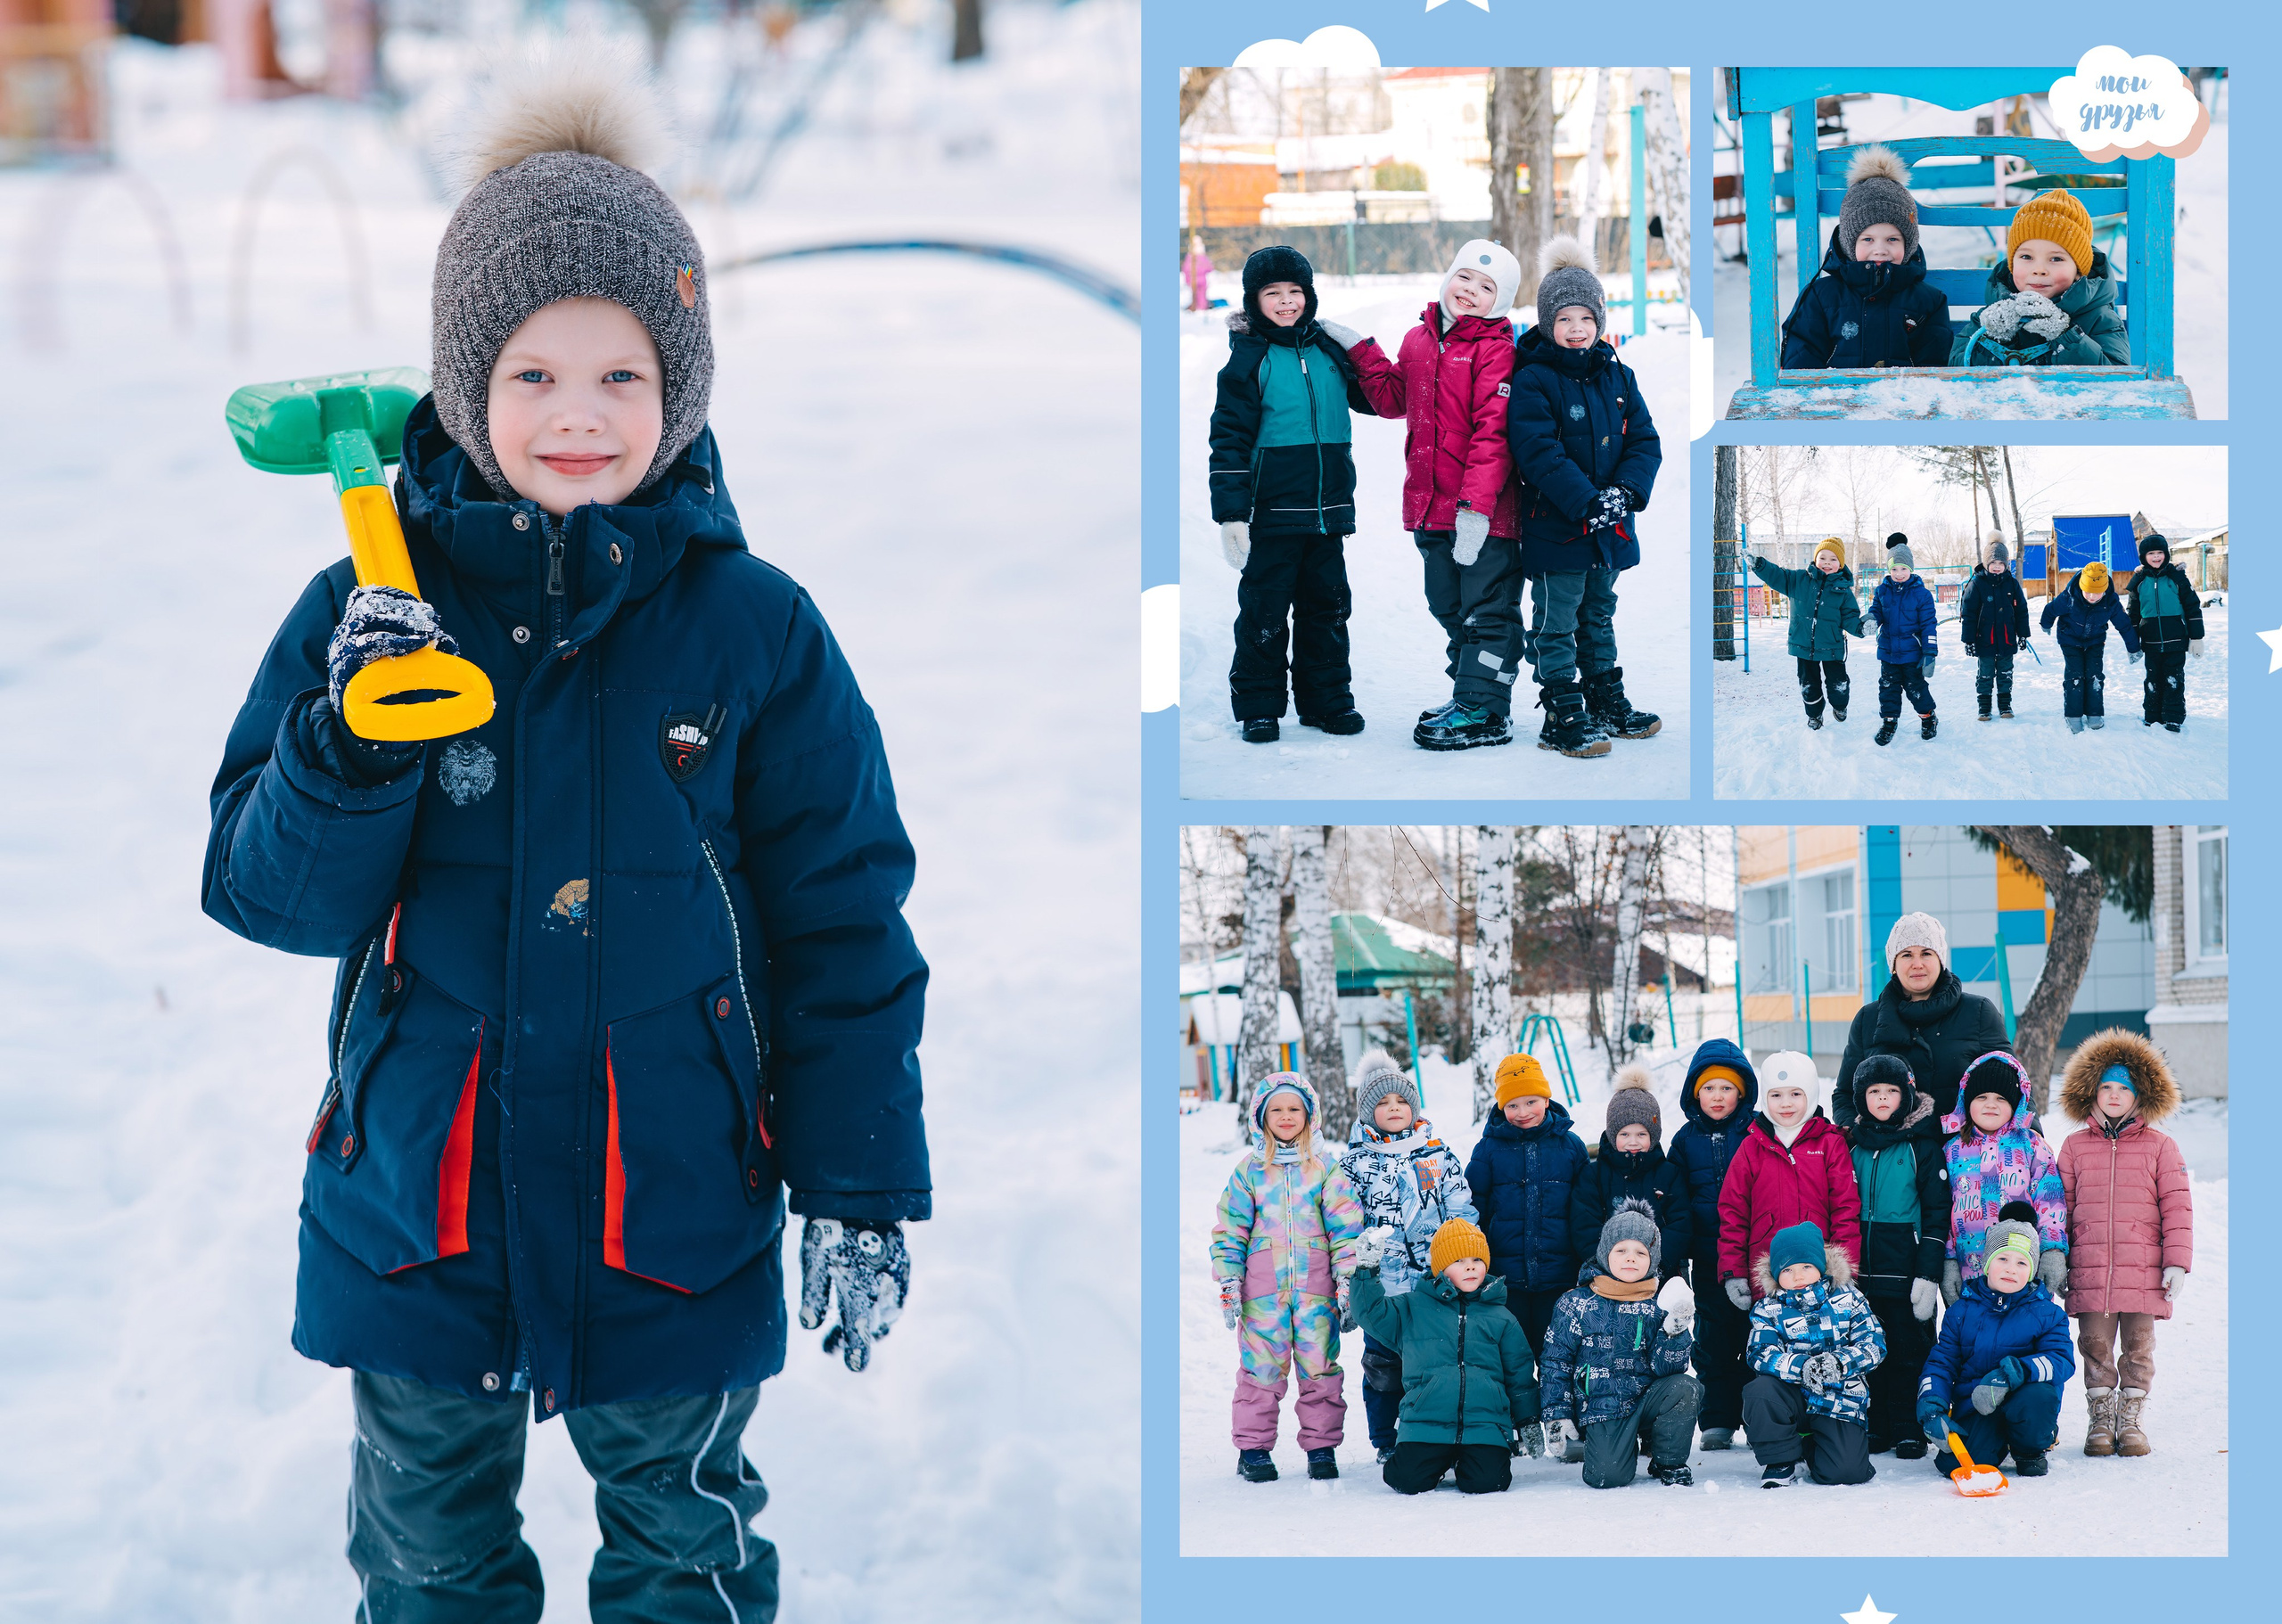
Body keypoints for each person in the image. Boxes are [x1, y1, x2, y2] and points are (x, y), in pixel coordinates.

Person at [201, 61, 926, 1620]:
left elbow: (844, 917)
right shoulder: (369, 611)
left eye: (622, 374)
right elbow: (269, 897)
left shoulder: (755, 630)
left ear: (684, 391)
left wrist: (858, 1177)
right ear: (465, 386)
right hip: (423, 1202)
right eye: (531, 373)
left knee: (685, 1550)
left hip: (668, 1200)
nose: (580, 415)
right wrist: (350, 746)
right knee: (429, 1553)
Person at [1342, 241, 1531, 750]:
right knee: (1446, 604)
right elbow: (1392, 400)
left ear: (1501, 301)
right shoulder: (1418, 340)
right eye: (1464, 277)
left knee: (1488, 610)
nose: (1470, 291)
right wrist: (1361, 350)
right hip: (1429, 505)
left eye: (1487, 287)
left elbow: (1494, 434)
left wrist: (1476, 509)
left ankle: (1485, 709)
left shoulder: (1496, 351)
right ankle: (1470, 692)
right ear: (1448, 278)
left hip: (1484, 513)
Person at [1207, 245, 1376, 742]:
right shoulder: (1248, 360)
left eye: (1295, 291)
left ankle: (1327, 702)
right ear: (1254, 301)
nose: (1286, 302)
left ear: (1310, 296)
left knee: (1328, 609)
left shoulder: (1329, 351)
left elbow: (1379, 399)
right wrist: (1232, 513)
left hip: (1327, 510)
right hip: (1271, 511)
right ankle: (1259, 706)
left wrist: (1362, 351)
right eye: (1273, 293)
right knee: (1264, 611)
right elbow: (1228, 440)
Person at [1505, 235, 1663, 757]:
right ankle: (1562, 709)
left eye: (1586, 318)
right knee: (1557, 619)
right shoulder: (1533, 379)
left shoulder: (1619, 375)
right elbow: (1537, 450)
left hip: (1609, 526)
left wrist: (1624, 492)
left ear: (1600, 321)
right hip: (1559, 526)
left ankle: (1603, 697)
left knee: (1598, 613)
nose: (1577, 329)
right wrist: (1586, 501)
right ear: (1546, 322)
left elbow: (1644, 441)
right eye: (1564, 319)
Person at [1209, 1075, 1366, 1482]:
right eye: (1276, 1109)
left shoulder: (1325, 1169)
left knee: (1320, 1370)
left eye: (1294, 1109)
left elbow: (1346, 1229)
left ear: (1309, 1116)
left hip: (1317, 1292)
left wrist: (1347, 1280)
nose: (1285, 1116)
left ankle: (1321, 1448)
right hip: (1262, 1294)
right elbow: (1231, 1229)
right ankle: (1254, 1449)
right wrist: (1229, 1280)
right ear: (1260, 1117)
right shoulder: (1250, 1171)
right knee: (1261, 1370)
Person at [2056, 1031, 2194, 1457]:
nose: (2114, 1095)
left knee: (2139, 1347)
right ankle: (2101, 1417)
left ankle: (2131, 1418)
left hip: (2143, 1269)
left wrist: (2176, 1263)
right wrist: (2057, 1258)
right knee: (2094, 1345)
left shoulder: (2160, 1147)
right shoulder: (2074, 1147)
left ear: (2141, 1095)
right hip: (2090, 1267)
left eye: (2124, 1088)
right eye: (2106, 1087)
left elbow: (2177, 1207)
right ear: (2091, 1092)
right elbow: (2061, 1208)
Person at [1335, 1053, 1476, 1465]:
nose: (1394, 1108)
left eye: (1401, 1101)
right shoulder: (1354, 1164)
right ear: (1368, 1113)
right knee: (1383, 1364)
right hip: (1382, 1288)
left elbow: (1460, 1211)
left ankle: (1435, 1432)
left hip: (1433, 1284)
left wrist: (1465, 1261)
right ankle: (1386, 1439)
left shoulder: (1437, 1154)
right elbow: (1343, 1226)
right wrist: (1350, 1282)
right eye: (1383, 1103)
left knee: (1436, 1359)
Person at [1352, 1218, 1545, 1496]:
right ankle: (1438, 1459)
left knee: (1490, 1483)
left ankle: (1464, 1459)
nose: (1470, 1267)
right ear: (1441, 1267)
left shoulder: (1501, 1318)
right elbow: (1369, 1312)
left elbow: (1520, 1375)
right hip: (1425, 1422)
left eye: (1477, 1260)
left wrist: (1528, 1421)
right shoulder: (1412, 1309)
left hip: (1485, 1424)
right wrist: (1366, 1270)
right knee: (1404, 1480)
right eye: (1459, 1261)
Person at [1539, 1205, 1703, 1487]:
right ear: (1605, 1253)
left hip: (1647, 1398)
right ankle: (1618, 1446)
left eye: (1640, 1252)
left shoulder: (1660, 1303)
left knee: (1685, 1387)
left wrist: (1674, 1332)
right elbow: (1556, 1361)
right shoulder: (1576, 1303)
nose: (1630, 1258)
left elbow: (1669, 1369)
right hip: (1603, 1406)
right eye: (1621, 1250)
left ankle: (1668, 1462)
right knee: (1606, 1477)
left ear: (1653, 1259)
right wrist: (1557, 1414)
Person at [1916, 1206, 2075, 1478]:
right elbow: (1941, 1364)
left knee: (2038, 1396)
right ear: (1987, 1263)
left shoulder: (2048, 1314)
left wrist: (2012, 1373)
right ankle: (1994, 1441)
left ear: (2032, 1271)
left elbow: (2061, 1360)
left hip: (2023, 1402)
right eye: (2003, 1259)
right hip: (1978, 1407)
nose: (2011, 1269)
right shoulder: (1961, 1312)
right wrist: (1931, 1404)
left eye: (2022, 1263)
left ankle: (2029, 1449)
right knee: (1953, 1465)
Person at [1844, 1054, 1952, 1458]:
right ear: (1861, 1098)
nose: (1883, 1098)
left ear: (1906, 1095)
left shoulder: (1922, 1146)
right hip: (1861, 1273)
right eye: (1874, 1091)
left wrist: (1928, 1274)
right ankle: (1878, 1423)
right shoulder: (1852, 1144)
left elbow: (1938, 1213)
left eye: (1891, 1091)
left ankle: (1909, 1425)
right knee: (1867, 1347)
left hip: (1907, 1271)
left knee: (1910, 1349)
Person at [1833, 912, 2012, 1130]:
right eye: (1907, 955)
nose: (1917, 964)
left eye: (1926, 953)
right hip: (1889, 1148)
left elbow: (2012, 1082)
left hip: (1962, 1147)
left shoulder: (1978, 1012)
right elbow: (1845, 1093)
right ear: (1894, 964)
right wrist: (1856, 1135)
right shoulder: (1868, 1018)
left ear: (1940, 960)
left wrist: (2032, 1131)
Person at [1777, 146, 1952, 367]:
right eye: (1868, 239)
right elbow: (1801, 357)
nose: (1880, 250)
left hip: (1903, 390)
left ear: (1909, 245)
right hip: (1835, 390)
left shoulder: (1928, 301)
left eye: (1892, 239)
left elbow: (1934, 365)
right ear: (1849, 244)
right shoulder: (1821, 296)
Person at [1717, 1050, 1863, 1313]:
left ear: (1811, 1093)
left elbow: (1846, 1211)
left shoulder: (1830, 1144)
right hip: (1769, 1277)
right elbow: (1733, 1214)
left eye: (1796, 1094)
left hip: (1818, 1273)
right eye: (1776, 1095)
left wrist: (1845, 1269)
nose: (1785, 1104)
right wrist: (1733, 1271)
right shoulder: (1751, 1148)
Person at [1465, 1054, 1592, 1356]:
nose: (1522, 1113)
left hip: (1561, 1277)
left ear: (1546, 1100)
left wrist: (1586, 1263)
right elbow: (1473, 1208)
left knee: (1557, 1357)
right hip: (1505, 1280)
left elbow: (1586, 1208)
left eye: (1531, 1102)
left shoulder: (1571, 1146)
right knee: (1513, 1359)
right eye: (1512, 1105)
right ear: (1501, 1107)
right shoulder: (1488, 1149)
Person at [1743, 1221, 1885, 1487]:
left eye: (1806, 1267)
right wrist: (1802, 1367)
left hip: (1838, 1398)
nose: (1798, 1277)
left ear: (1821, 1266)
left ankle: (1812, 1448)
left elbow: (1873, 1343)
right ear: (1776, 1274)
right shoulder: (1768, 1308)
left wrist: (1838, 1363)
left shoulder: (1849, 1298)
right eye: (1788, 1270)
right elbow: (1760, 1352)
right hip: (1791, 1396)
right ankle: (1780, 1460)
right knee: (1760, 1390)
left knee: (1845, 1473)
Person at [1667, 1041, 1759, 1450]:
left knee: (1759, 1335)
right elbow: (1676, 1200)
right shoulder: (1685, 1140)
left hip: (1756, 1257)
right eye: (1708, 1088)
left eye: (1727, 1088)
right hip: (1708, 1257)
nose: (1717, 1097)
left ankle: (1758, 1417)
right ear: (1695, 1093)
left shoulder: (1757, 1131)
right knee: (1713, 1341)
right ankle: (1718, 1419)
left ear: (1742, 1092)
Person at [1942, 1053, 2068, 1304]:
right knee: (1973, 1328)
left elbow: (2050, 1202)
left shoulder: (2032, 1146)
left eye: (2001, 1098)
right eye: (1981, 1097)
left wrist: (2052, 1250)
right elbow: (1941, 1208)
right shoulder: (1952, 1151)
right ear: (1967, 1102)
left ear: (2016, 1104)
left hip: (2023, 1272)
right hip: (1970, 1273)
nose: (1991, 1104)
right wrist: (1948, 1260)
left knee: (2024, 1327)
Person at [1952, 190, 2130, 366]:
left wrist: (2065, 336)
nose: (2039, 270)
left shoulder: (2099, 318)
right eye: (2026, 257)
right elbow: (1956, 365)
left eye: (2056, 259)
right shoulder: (1993, 312)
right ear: (2012, 265)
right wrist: (1993, 338)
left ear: (2078, 271)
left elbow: (2117, 374)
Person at [1568, 1067, 1691, 1281]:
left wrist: (1657, 1263)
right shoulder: (1594, 1176)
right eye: (1624, 1134)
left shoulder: (1669, 1174)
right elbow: (1584, 1225)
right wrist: (1606, 1264)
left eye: (1641, 1134)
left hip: (1660, 1274)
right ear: (1612, 1135)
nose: (1633, 1142)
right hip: (1606, 1276)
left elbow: (1680, 1224)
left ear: (1653, 1136)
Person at [1751, 539, 1867, 729]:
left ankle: (1840, 706)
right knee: (1808, 685)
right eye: (1823, 558)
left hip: (1832, 646)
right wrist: (1759, 565)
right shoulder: (1798, 580)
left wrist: (1861, 628)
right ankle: (1814, 714)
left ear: (1840, 564)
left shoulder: (1843, 591)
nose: (1827, 562)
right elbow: (1777, 575)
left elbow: (1850, 617)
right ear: (1815, 560)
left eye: (1833, 559)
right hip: (1804, 644)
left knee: (1838, 684)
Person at [2040, 561, 2141, 734]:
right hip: (2070, 640)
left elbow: (2124, 625)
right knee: (2075, 675)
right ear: (2081, 586)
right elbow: (2051, 610)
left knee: (2094, 675)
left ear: (2105, 589)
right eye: (2088, 592)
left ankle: (2094, 713)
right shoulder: (2069, 597)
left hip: (2095, 641)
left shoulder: (2110, 602)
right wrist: (2045, 624)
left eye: (2098, 593)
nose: (2093, 597)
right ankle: (2073, 715)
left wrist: (2133, 648)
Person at [2124, 534, 2206, 733]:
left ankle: (2173, 718)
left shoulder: (2177, 577)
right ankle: (2152, 716)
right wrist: (2132, 644)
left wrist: (2196, 637)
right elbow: (2133, 614)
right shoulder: (2139, 581)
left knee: (2173, 679)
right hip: (2150, 640)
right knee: (2152, 679)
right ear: (2143, 557)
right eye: (2151, 553)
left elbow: (2192, 607)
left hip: (2176, 639)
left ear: (2166, 554)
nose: (2156, 557)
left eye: (2160, 552)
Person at [1864, 543, 1938, 746]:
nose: (1899, 574)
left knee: (1916, 689)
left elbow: (1929, 624)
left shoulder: (1922, 594)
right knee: (1888, 688)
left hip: (1913, 654)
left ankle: (1928, 717)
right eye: (1894, 569)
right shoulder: (1882, 591)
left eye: (1903, 568)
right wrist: (1871, 619)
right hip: (1888, 652)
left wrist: (1930, 652)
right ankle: (1889, 722)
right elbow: (1877, 611)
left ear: (1911, 569)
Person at [1959, 534, 2031, 721]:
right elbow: (1969, 614)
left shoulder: (2012, 584)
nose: (1997, 566)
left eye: (2001, 562)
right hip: (1985, 639)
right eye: (1993, 562)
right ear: (1986, 563)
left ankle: (2005, 705)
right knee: (1985, 674)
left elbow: (2021, 611)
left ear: (2006, 564)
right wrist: (1968, 640)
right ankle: (1984, 707)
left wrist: (2023, 635)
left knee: (2006, 673)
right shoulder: (1977, 584)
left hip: (2007, 638)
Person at [1182, 234, 1213, 313]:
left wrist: (1187, 280)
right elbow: (1210, 268)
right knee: (1200, 296)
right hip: (1198, 280)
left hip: (1196, 280)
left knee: (1198, 295)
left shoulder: (1191, 257)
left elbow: (1185, 269)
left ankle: (1199, 308)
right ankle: (1200, 308)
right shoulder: (1199, 257)